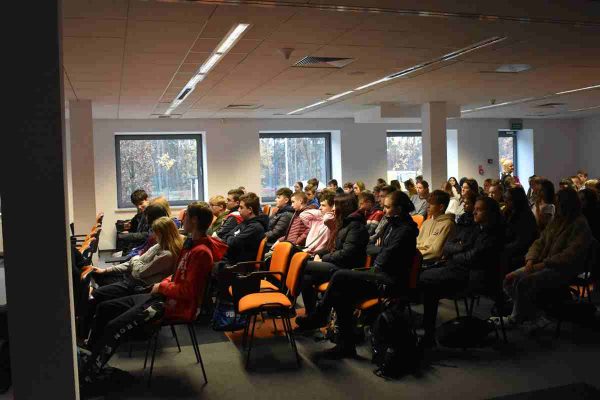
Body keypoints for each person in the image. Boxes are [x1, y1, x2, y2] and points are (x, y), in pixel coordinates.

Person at [80, 203, 228, 385]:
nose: (182, 220)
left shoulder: (201, 252)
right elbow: (176, 276)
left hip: (173, 306)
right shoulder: (190, 245)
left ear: (195, 220)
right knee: (105, 308)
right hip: (163, 296)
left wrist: (162, 287)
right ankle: (88, 357)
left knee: (114, 326)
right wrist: (163, 284)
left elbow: (188, 292)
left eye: (186, 217)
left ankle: (91, 373)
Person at [295, 191, 418, 358]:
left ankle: (320, 317)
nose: (384, 210)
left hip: (389, 282)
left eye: (388, 207)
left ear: (399, 209)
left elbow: (386, 257)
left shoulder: (405, 230)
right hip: (379, 273)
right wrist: (377, 253)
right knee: (340, 290)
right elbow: (375, 249)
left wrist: (377, 255)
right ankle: (344, 344)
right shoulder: (393, 224)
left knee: (340, 277)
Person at [502, 188, 593, 331]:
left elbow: (569, 255)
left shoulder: (580, 224)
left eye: (560, 203)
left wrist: (542, 264)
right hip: (544, 264)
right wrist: (531, 260)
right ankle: (537, 316)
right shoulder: (556, 221)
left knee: (524, 283)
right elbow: (539, 242)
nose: (557, 206)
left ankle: (516, 318)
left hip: (563, 268)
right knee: (509, 280)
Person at [419, 196, 505, 346]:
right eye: (475, 209)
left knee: (425, 281)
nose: (474, 212)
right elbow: (448, 245)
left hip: (473, 277)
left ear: (490, 213)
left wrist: (456, 252)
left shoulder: (493, 235)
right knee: (423, 279)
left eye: (479, 210)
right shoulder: (474, 227)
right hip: (457, 269)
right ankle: (428, 331)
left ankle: (428, 333)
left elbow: (472, 258)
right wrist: (461, 248)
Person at [88, 216, 184, 310]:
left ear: (163, 234)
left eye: (155, 233)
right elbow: (133, 264)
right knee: (98, 275)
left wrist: (135, 259)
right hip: (132, 279)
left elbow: (140, 272)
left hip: (140, 286)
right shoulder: (158, 246)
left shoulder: (167, 255)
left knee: (97, 294)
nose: (153, 236)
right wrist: (105, 270)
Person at [299, 194, 369, 316]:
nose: (333, 209)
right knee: (306, 278)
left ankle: (318, 315)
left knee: (302, 264)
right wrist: (318, 254)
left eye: (335, 205)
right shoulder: (344, 223)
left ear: (344, 207)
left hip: (346, 268)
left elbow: (346, 254)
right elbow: (332, 247)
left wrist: (323, 259)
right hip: (336, 264)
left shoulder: (355, 226)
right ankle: (311, 313)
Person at [220, 192, 268, 266]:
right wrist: (230, 238)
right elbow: (226, 236)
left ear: (250, 210)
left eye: (241, 207)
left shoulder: (255, 227)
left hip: (239, 265)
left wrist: (230, 238)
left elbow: (234, 243)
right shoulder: (245, 222)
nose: (238, 210)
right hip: (231, 260)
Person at [503, 187, 539, 272]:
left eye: (508, 199)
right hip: (510, 247)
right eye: (505, 198)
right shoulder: (508, 212)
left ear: (516, 200)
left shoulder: (525, 217)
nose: (505, 201)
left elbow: (522, 242)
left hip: (521, 253)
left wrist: (503, 249)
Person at [417, 190, 455, 264]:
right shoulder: (426, 222)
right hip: (416, 258)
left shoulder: (448, 224)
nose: (428, 206)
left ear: (441, 207)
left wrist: (413, 257)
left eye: (431, 204)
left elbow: (435, 253)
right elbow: (416, 243)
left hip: (430, 263)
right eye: (428, 203)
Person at [117, 189, 150, 254]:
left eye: (141, 203)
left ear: (147, 199)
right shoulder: (141, 212)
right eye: (136, 205)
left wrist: (129, 235)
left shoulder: (153, 213)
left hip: (145, 246)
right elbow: (134, 223)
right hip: (138, 244)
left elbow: (148, 235)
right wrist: (128, 227)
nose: (139, 207)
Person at [302, 190, 335, 255]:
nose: (320, 208)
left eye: (323, 205)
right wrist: (320, 214)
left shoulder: (332, 220)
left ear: (332, 207)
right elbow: (303, 215)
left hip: (317, 253)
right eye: (320, 205)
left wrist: (328, 214)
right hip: (308, 249)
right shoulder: (317, 219)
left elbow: (326, 219)